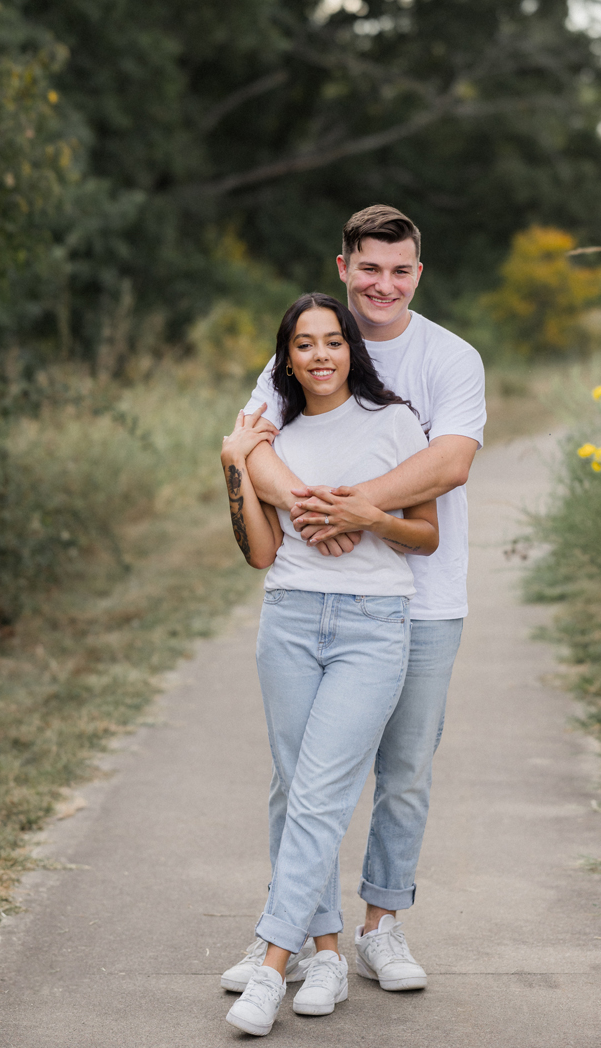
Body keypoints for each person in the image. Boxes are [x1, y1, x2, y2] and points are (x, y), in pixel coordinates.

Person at [221, 204, 486, 995]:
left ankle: (381, 928)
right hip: (317, 592)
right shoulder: (311, 344)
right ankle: (302, 933)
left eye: (400, 270)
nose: (384, 284)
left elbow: (449, 464)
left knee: (403, 770)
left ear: (418, 274)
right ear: (344, 267)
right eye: (369, 268)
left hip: (425, 600)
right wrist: (311, 506)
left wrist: (359, 508)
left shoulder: (450, 357)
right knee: (298, 776)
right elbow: (246, 444)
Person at [219, 292, 439, 1036]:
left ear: (353, 350)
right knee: (292, 785)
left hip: (374, 627)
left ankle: (272, 968)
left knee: (319, 794)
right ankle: (327, 952)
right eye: (304, 345)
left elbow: (427, 535)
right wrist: (235, 464)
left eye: (333, 342)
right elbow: (260, 552)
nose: (320, 356)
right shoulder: (272, 439)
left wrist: (370, 517)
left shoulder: (396, 422)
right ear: (287, 359)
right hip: (287, 621)